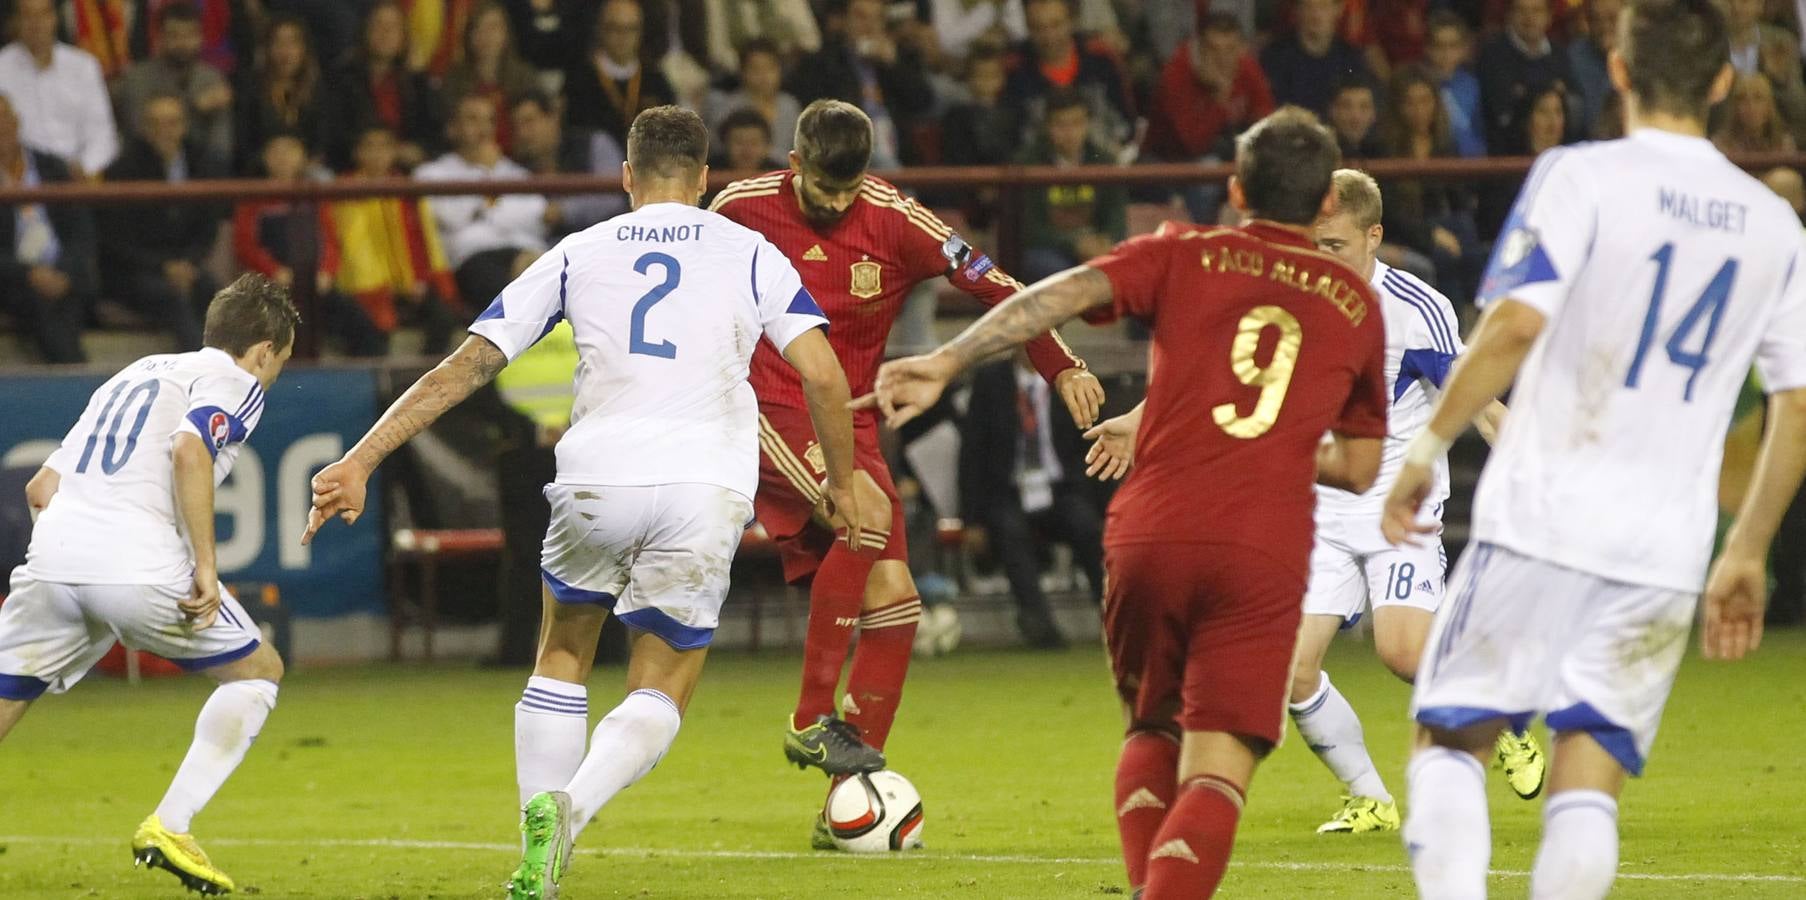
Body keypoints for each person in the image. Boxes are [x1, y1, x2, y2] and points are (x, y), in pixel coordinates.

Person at [301, 104, 871, 900]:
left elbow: (465, 367)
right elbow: (822, 375)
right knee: (662, 679)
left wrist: (362, 460)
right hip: (704, 486)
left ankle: (539, 834)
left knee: (562, 652)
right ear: (707, 180)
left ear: (628, 177)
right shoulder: (751, 251)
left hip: (595, 478)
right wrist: (840, 488)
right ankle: (569, 810)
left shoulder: (577, 251)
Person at [865, 106, 1389, 899]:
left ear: (1237, 187)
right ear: (1325, 205)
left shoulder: (1184, 251)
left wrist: (947, 357)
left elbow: (1062, 293)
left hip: (1151, 531)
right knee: (1217, 769)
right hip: (1261, 547)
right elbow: (1358, 467)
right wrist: (1274, 442)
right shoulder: (1356, 308)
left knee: (1153, 727)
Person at [1383, 2, 1806, 897]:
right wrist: (1748, 547)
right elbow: (1797, 408)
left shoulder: (1579, 176)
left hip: (1545, 510)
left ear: (1616, 70)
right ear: (1724, 81)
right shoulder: (1776, 225)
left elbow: (1512, 326)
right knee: (1589, 779)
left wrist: (1428, 443)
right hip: (1666, 546)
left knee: (1449, 736)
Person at [708, 100, 1101, 840]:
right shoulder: (740, 206)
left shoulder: (901, 221)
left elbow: (1002, 290)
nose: (836, 206)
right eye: (823, 192)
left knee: (897, 599)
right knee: (870, 513)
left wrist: (1062, 365)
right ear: (794, 167)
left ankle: (846, 806)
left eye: (849, 193)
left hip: (850, 416)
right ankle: (808, 719)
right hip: (768, 403)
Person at [0, 275, 297, 896]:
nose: (273, 375)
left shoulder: (133, 372)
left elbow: (39, 489)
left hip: (52, 555)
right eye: (280, 363)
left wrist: (74, 566)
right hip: (136, 564)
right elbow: (190, 451)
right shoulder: (236, 381)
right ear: (264, 349)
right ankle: (172, 824)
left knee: (7, 693)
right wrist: (207, 567)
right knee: (258, 671)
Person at [961, 354, 1104, 648]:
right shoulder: (990, 381)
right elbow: (972, 453)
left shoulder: (1073, 377)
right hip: (1007, 491)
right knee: (1010, 531)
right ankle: (1038, 624)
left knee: (1087, 526)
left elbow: (1091, 442)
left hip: (1060, 489)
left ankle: (1114, 616)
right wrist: (971, 520)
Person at [233, 133, 386, 357]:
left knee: (365, 327)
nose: (283, 158)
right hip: (271, 286)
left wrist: (326, 272)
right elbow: (245, 245)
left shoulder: (312, 194)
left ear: (301, 157)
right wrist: (274, 271)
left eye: (290, 151)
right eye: (277, 152)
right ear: (266, 158)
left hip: (315, 282)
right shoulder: (254, 198)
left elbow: (331, 240)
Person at [102, 94, 227, 351]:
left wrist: (188, 263)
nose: (164, 131)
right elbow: (116, 240)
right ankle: (198, 370)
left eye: (172, 123)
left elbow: (207, 227)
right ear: (144, 128)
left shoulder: (202, 163)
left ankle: (235, 370)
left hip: (186, 265)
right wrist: (164, 266)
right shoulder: (122, 170)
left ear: (184, 126)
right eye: (156, 123)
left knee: (216, 295)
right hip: (134, 271)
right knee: (172, 298)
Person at [330, 125, 463, 355]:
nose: (377, 154)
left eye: (384, 147)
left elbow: (423, 240)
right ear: (357, 153)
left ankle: (425, 380)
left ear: (394, 152)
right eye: (370, 147)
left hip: (410, 282)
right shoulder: (343, 192)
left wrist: (418, 278)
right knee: (369, 327)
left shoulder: (407, 189)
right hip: (364, 284)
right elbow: (348, 246)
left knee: (444, 317)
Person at [416, 93, 548, 317]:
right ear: (453, 128)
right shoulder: (431, 174)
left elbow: (537, 219)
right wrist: (487, 180)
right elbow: (452, 218)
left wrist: (485, 210)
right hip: (472, 259)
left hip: (525, 252)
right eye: (473, 119)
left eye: (489, 120)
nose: (483, 128)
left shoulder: (517, 173)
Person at [0, 93, 93, 364]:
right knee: (42, 304)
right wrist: (30, 274)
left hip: (62, 273)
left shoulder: (51, 167)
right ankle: (74, 376)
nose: (1, 127)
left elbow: (80, 230)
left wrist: (64, 272)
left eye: (5, 119)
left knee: (72, 297)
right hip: (13, 278)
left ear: (17, 122)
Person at [786, 0, 934, 169]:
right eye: (861, 17)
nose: (869, 25)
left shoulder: (900, 56)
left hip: (894, 144)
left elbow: (923, 102)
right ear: (845, 21)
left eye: (876, 19)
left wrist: (893, 65)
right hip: (846, 145)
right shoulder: (824, 61)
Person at [0, 0, 119, 178]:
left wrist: (84, 168)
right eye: (28, 16)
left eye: (43, 14)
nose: (36, 23)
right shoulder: (2, 67)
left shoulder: (83, 66)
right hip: (23, 179)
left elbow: (102, 135)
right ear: (16, 21)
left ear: (55, 18)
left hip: (77, 179)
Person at [1017, 89, 1126, 282]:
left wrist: (1106, 240)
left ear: (1087, 124)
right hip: (1048, 251)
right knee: (1052, 269)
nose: (1070, 133)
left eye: (1077, 123)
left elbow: (1116, 215)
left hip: (1095, 246)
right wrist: (1074, 243)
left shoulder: (1103, 161)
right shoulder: (1028, 163)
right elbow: (1028, 228)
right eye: (1061, 124)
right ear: (1048, 126)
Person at [324, 1, 443, 171]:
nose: (385, 33)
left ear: (403, 36)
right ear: (365, 31)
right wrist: (372, 152)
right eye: (378, 25)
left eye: (393, 27)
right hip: (352, 172)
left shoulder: (418, 83)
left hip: (407, 172)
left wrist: (416, 150)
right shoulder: (341, 79)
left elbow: (435, 134)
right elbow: (333, 136)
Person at [1003, 0, 1134, 154]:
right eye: (1038, 28)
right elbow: (1009, 137)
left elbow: (1127, 119)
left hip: (1105, 164)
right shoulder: (1014, 68)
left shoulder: (1100, 58)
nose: (1049, 36)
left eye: (1056, 24)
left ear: (1072, 21)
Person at [1141, 13, 1274, 164]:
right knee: (1210, 167)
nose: (1223, 59)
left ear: (1240, 49)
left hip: (1222, 151)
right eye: (1213, 50)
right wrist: (1220, 96)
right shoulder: (1176, 74)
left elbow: (1266, 121)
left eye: (1230, 49)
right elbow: (1192, 145)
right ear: (1200, 51)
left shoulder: (1246, 67)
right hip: (1166, 161)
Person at [114, 2, 233, 164]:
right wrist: (195, 107)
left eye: (190, 35)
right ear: (160, 38)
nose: (183, 43)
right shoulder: (137, 78)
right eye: (174, 35)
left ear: (201, 37)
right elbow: (140, 133)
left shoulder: (212, 78)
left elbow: (221, 143)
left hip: (200, 170)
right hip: (146, 168)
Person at [508, 90, 628, 239]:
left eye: (529, 121)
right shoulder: (516, 167)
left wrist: (562, 211)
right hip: (548, 251)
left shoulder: (594, 143)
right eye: (517, 126)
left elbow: (613, 198)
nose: (522, 133)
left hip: (606, 241)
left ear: (553, 117)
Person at [561, 0, 675, 147]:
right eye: (615, 28)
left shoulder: (655, 80)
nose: (623, 36)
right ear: (600, 29)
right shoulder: (580, 79)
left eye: (630, 29)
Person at [1477, 0, 1574, 153]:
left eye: (1536, 11)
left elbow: (1573, 105)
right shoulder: (1493, 55)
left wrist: (1524, 91)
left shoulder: (1560, 55)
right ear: (1509, 15)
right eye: (1521, 10)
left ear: (1549, 16)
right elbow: (1502, 114)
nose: (1529, 18)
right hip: (1507, 156)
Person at [441, 2, 538, 154]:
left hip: (518, 161)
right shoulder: (454, 80)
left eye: (493, 27)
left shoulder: (525, 77)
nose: (486, 36)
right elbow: (450, 130)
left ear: (506, 33)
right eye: (478, 28)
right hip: (468, 159)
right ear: (468, 35)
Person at [235, 15, 327, 173]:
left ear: (304, 49)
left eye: (293, 42)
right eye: (278, 43)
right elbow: (244, 143)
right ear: (267, 49)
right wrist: (271, 161)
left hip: (308, 171)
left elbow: (324, 140)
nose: (285, 51)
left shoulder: (320, 90)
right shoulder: (250, 89)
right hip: (261, 172)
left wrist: (302, 163)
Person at [1260, 0, 1373, 118]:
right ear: (1297, 10)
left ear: (1338, 10)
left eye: (1323, 7)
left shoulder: (1351, 58)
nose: (1316, 14)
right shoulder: (1275, 57)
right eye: (1308, 6)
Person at [703, 38, 801, 158]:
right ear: (742, 72)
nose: (764, 76)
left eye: (770, 68)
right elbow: (716, 151)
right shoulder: (727, 108)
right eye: (756, 69)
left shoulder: (790, 106)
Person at [1424, 11, 1487, 157]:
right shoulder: (1422, 85)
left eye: (1453, 46)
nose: (1446, 54)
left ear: (1464, 49)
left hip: (1472, 165)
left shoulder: (1473, 86)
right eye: (1439, 46)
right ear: (1428, 49)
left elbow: (1481, 130)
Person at [1712, 72, 1796, 154]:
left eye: (1758, 98)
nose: (1750, 106)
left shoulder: (1783, 145)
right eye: (1742, 98)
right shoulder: (1720, 146)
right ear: (1734, 106)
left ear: (1769, 105)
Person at [1327, 78, 1384, 161]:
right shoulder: (1320, 154)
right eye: (1346, 106)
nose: (1356, 117)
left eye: (1364, 107)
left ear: (1374, 113)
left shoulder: (1386, 153)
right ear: (1332, 111)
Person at [714, 108, 781, 172]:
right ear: (726, 144)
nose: (747, 150)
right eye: (739, 142)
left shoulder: (779, 174)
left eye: (754, 143)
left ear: (767, 146)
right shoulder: (710, 171)